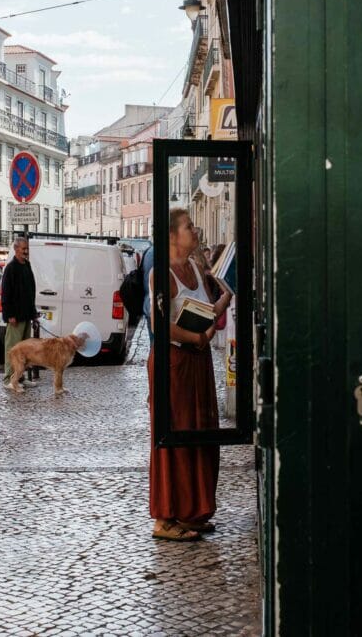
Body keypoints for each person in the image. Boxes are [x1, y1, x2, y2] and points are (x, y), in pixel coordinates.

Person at [148, 209, 232, 541]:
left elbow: (207, 310)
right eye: (188, 227)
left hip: (197, 360)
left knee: (200, 431)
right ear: (171, 235)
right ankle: (166, 517)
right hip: (175, 362)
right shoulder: (161, 273)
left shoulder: (196, 267)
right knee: (175, 437)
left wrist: (222, 304)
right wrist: (196, 337)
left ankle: (193, 510)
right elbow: (159, 324)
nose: (194, 230)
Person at [0, 237, 38, 389]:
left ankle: (20, 377)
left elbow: (31, 292)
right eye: (23, 249)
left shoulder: (27, 265)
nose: (26, 251)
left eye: (27, 249)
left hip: (26, 315)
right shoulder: (11, 268)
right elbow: (6, 294)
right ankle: (9, 379)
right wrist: (10, 315)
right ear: (16, 249)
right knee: (13, 348)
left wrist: (33, 314)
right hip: (15, 317)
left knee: (25, 350)